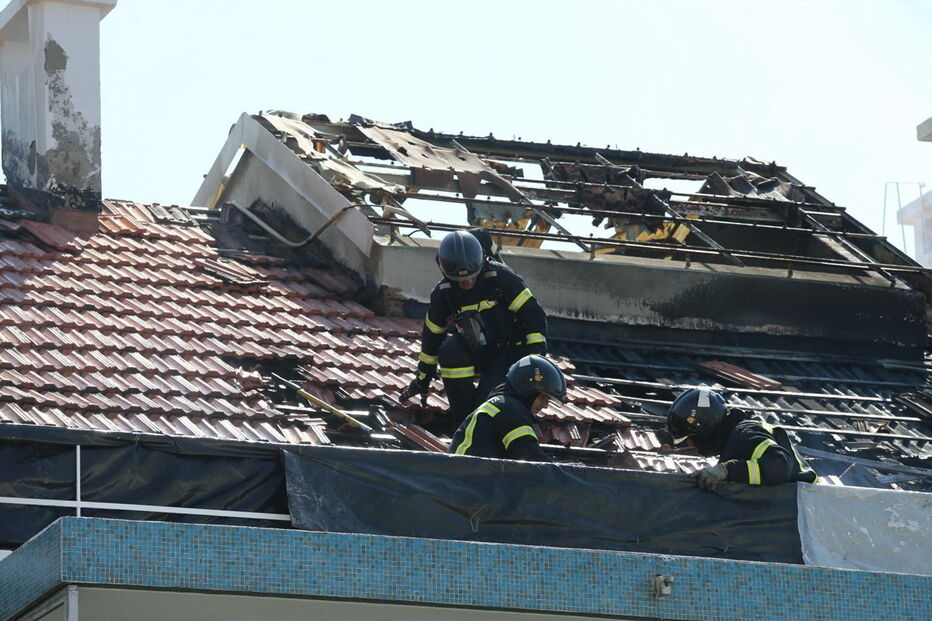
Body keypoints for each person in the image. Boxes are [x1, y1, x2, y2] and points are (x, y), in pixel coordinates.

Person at [400, 230, 548, 432]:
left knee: (486, 406)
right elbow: (431, 338)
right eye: (460, 279)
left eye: (472, 276)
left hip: (509, 353)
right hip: (478, 352)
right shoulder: (443, 293)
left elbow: (533, 316)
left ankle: (481, 429)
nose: (467, 282)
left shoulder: (501, 278)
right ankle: (461, 424)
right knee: (450, 350)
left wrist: (534, 359)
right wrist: (423, 378)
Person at [667, 387, 819, 490]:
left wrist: (726, 470)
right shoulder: (732, 442)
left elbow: (780, 465)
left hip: (808, 511)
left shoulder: (745, 433)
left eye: (690, 438)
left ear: (705, 428)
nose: (691, 444)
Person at [448, 355, 565, 461]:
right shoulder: (510, 409)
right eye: (543, 397)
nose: (545, 405)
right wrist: (568, 472)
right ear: (528, 391)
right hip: (469, 476)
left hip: (467, 474)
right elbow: (532, 459)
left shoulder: (503, 405)